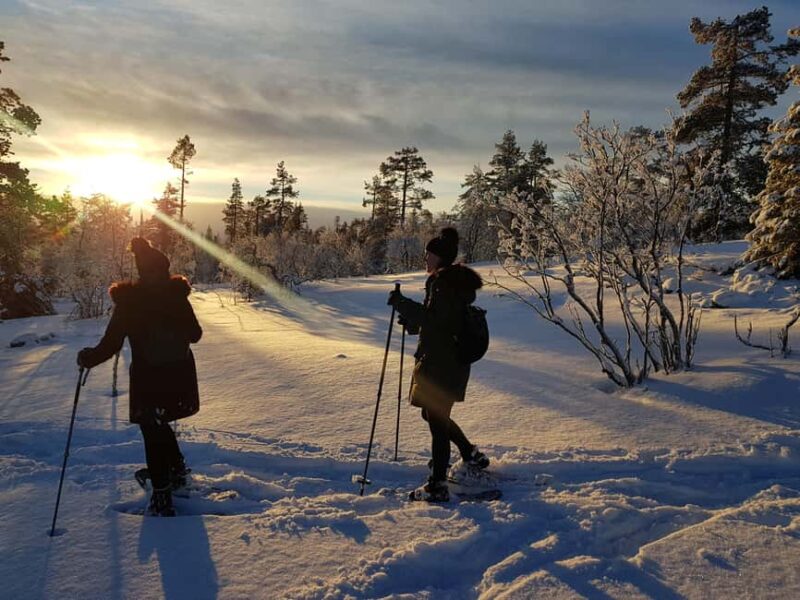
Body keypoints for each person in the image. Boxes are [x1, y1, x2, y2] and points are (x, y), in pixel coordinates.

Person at [77, 237, 202, 516]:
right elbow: (196, 335)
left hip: (148, 379)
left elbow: (111, 345)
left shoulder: (130, 302)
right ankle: (177, 474)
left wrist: (88, 358)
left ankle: (162, 497)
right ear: (165, 268)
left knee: (152, 429)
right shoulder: (177, 296)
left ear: (140, 270)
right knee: (161, 423)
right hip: (179, 377)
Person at [388, 227, 489, 502]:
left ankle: (438, 484)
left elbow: (435, 321)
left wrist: (402, 305)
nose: (425, 259)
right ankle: (470, 455)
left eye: (428, 254)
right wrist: (412, 323)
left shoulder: (444, 284)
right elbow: (439, 322)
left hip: (443, 364)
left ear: (439, 257)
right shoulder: (447, 283)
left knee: (437, 420)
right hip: (446, 361)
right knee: (433, 416)